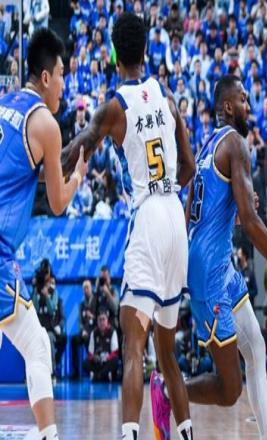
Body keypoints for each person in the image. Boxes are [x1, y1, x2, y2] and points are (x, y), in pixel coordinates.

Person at [152, 75, 267, 440]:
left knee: (256, 347)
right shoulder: (236, 144)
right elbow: (251, 223)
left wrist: (235, 209)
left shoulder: (209, 146)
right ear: (227, 106)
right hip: (209, 273)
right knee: (229, 390)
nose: (248, 106)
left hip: (218, 264)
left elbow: (198, 212)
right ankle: (169, 391)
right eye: (242, 99)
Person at [61, 13, 195, 440]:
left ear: (115, 55)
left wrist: (40, 164)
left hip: (149, 213)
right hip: (174, 214)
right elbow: (189, 167)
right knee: (168, 354)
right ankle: (187, 434)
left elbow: (77, 149)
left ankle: (130, 435)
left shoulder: (114, 107)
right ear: (147, 50)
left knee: (133, 345)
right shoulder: (167, 97)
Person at [0, 28, 87, 440]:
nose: (65, 84)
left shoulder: (4, 103)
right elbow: (57, 203)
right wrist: (77, 176)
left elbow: (16, 169)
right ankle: (50, 435)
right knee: (37, 344)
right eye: (63, 74)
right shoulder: (46, 125)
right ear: (47, 76)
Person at [85, 309, 119, 382]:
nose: (102, 322)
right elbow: (90, 353)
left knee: (115, 361)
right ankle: (101, 375)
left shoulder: (112, 332)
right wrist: (94, 357)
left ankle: (98, 375)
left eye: (103, 319)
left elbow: (115, 352)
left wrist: (107, 358)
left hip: (108, 360)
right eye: (100, 320)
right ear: (97, 321)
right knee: (85, 363)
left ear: (107, 320)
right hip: (97, 361)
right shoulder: (94, 333)